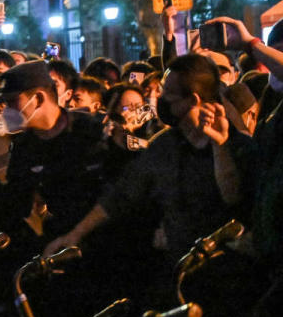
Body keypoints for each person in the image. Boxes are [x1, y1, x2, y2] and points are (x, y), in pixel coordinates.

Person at [45, 54, 244, 268]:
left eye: (167, 94)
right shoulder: (164, 146)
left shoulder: (237, 145)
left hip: (223, 269)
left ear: (192, 100)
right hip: (177, 267)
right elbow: (122, 194)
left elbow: (234, 198)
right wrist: (75, 234)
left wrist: (220, 146)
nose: (159, 99)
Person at [2, 60, 106, 240]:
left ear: (38, 99)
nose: (6, 110)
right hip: (56, 243)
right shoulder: (23, 146)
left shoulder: (91, 130)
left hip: (102, 237)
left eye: (12, 102)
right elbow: (16, 202)